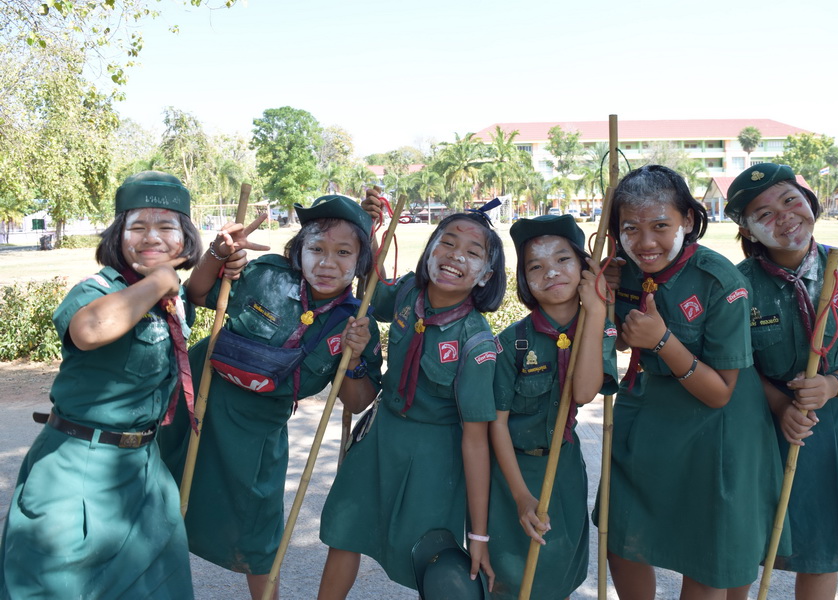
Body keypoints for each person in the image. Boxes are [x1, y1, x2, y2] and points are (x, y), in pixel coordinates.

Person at [0, 171, 249, 599]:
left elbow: (196, 291)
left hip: (144, 471)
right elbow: (89, 330)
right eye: (137, 226)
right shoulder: (97, 290)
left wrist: (217, 254)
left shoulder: (170, 298)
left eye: (167, 226)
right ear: (118, 236)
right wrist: (160, 279)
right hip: (77, 472)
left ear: (184, 238)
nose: (151, 237)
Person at [158, 194, 383, 600]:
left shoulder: (356, 320)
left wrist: (353, 358)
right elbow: (199, 293)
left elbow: (355, 403)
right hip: (196, 405)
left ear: (360, 261)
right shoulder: (265, 275)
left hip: (258, 432)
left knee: (260, 538)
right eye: (317, 248)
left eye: (343, 252)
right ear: (298, 251)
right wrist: (218, 254)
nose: (327, 263)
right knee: (158, 498)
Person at [595, 165, 784, 599]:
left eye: (661, 226)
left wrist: (662, 341)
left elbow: (721, 392)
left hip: (715, 427)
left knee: (705, 553)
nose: (646, 242)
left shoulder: (720, 281)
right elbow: (620, 342)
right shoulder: (621, 270)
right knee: (620, 534)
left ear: (687, 220)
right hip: (648, 415)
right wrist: (604, 300)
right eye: (630, 228)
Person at [316, 193, 506, 599]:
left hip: (434, 461)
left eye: (473, 252)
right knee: (345, 533)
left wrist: (479, 535)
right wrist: (370, 231)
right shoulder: (408, 293)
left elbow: (477, 441)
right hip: (380, 438)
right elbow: (373, 289)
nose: (455, 255)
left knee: (432, 560)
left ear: (486, 275)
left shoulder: (476, 342)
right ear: (430, 251)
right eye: (447, 242)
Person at [725, 163, 838, 600]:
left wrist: (834, 383)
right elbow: (734, 365)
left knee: (825, 549)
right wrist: (780, 405)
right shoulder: (737, 286)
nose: (784, 217)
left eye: (791, 200)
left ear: (810, 203)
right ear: (746, 231)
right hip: (759, 428)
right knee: (743, 546)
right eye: (764, 214)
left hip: (833, 430)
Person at [488, 215, 617, 599]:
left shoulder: (601, 327)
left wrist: (596, 312)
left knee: (557, 573)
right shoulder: (512, 342)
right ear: (524, 280)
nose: (551, 272)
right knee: (509, 577)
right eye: (536, 266)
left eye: (563, 259)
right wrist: (520, 496)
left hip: (564, 468)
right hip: (512, 472)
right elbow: (497, 424)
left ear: (584, 267)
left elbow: (584, 392)